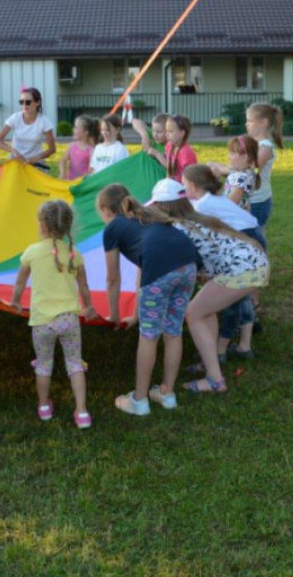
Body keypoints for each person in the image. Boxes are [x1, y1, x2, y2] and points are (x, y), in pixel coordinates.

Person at [150, 179, 270, 393]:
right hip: (252, 264)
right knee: (206, 311)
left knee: (193, 313)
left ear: (162, 207)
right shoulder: (195, 216)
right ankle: (210, 361)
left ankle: (215, 380)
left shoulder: (177, 228)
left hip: (242, 271)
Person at [97, 183, 201, 416]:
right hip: (188, 266)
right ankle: (167, 393)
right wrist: (136, 314)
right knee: (173, 331)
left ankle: (140, 400)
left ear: (105, 209)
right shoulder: (147, 215)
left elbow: (113, 278)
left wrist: (113, 315)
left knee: (149, 336)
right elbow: (142, 269)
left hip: (162, 273)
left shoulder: (113, 227)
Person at [11, 200, 96, 428]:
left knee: (43, 364)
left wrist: (16, 301)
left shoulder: (32, 252)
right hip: (69, 319)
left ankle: (44, 407)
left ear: (43, 225)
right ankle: (82, 412)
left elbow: (20, 282)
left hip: (42, 322)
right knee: (75, 364)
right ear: (67, 225)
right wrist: (88, 307)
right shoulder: (74, 254)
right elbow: (84, 286)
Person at [182, 164, 263, 361]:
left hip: (244, 243)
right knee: (240, 297)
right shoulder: (213, 199)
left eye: (184, 185)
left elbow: (185, 222)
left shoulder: (201, 205)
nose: (183, 190)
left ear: (192, 186)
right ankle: (244, 345)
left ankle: (219, 350)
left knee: (231, 300)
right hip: (252, 240)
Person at [0, 87, 56, 169]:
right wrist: (13, 151)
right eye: (21, 102)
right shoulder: (15, 118)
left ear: (38, 103)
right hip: (16, 161)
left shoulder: (44, 121)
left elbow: (52, 149)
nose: (24, 105)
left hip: (36, 163)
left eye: (28, 102)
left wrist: (34, 159)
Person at [245, 103, 284, 230]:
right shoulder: (255, 144)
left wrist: (221, 169)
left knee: (254, 241)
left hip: (257, 202)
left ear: (263, 123)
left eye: (250, 121)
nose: (246, 124)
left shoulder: (265, 147)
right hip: (249, 199)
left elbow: (250, 170)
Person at [59, 115, 99, 180]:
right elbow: (63, 161)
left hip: (83, 185)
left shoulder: (91, 150)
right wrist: (63, 172)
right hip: (70, 183)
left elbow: (91, 170)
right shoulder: (72, 146)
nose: (73, 130)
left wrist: (81, 180)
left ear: (86, 132)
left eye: (76, 128)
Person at [164, 114, 197, 182]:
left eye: (170, 131)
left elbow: (191, 177)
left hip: (185, 187)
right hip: (173, 184)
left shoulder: (185, 152)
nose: (166, 134)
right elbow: (169, 170)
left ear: (181, 133)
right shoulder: (169, 146)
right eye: (166, 131)